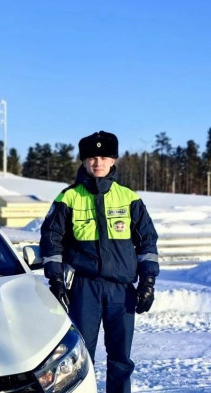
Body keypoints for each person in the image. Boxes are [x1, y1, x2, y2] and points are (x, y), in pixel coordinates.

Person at [40, 131, 159, 393]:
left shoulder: (129, 198)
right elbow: (51, 241)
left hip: (121, 289)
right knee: (80, 357)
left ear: (113, 160)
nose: (98, 163)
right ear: (83, 161)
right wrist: (56, 280)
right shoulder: (67, 198)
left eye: (104, 157)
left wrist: (148, 281)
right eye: (92, 157)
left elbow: (147, 242)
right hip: (83, 289)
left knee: (121, 359)